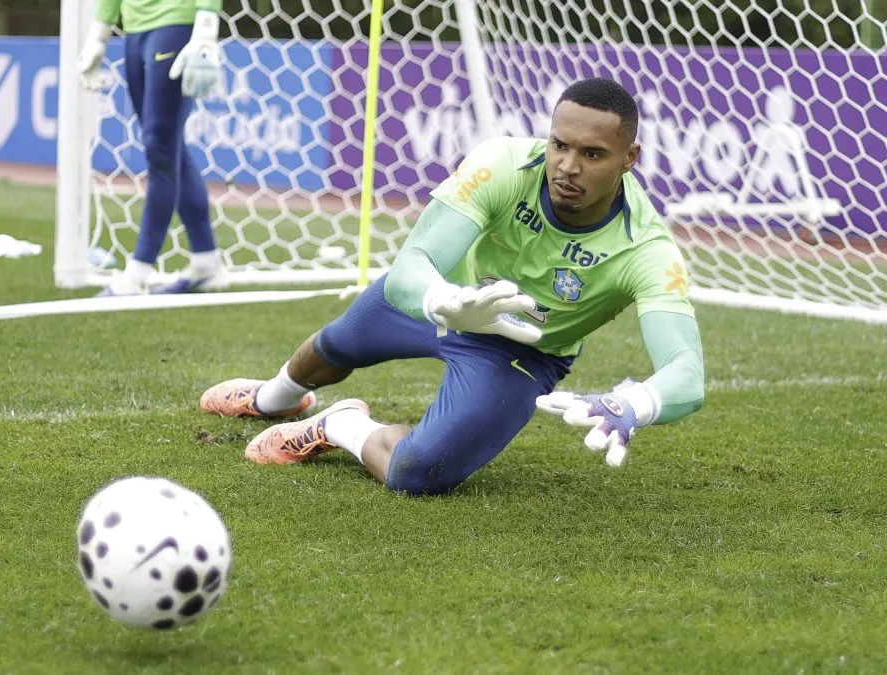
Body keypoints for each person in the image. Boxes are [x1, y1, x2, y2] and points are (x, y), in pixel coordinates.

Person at [199, 78, 705, 495]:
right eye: (559, 145)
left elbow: (686, 373)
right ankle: (273, 398)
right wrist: (444, 300)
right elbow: (410, 266)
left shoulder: (647, 249)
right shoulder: (503, 165)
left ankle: (336, 425)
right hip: (441, 300)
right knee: (337, 345)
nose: (568, 166)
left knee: (417, 473)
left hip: (522, 354)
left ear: (629, 158)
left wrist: (632, 405)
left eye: (593, 154)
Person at [78, 0, 229, 296]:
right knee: (168, 147)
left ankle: (138, 273)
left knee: (160, 148)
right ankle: (207, 262)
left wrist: (205, 29)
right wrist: (98, 34)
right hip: (133, 28)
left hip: (177, 22)